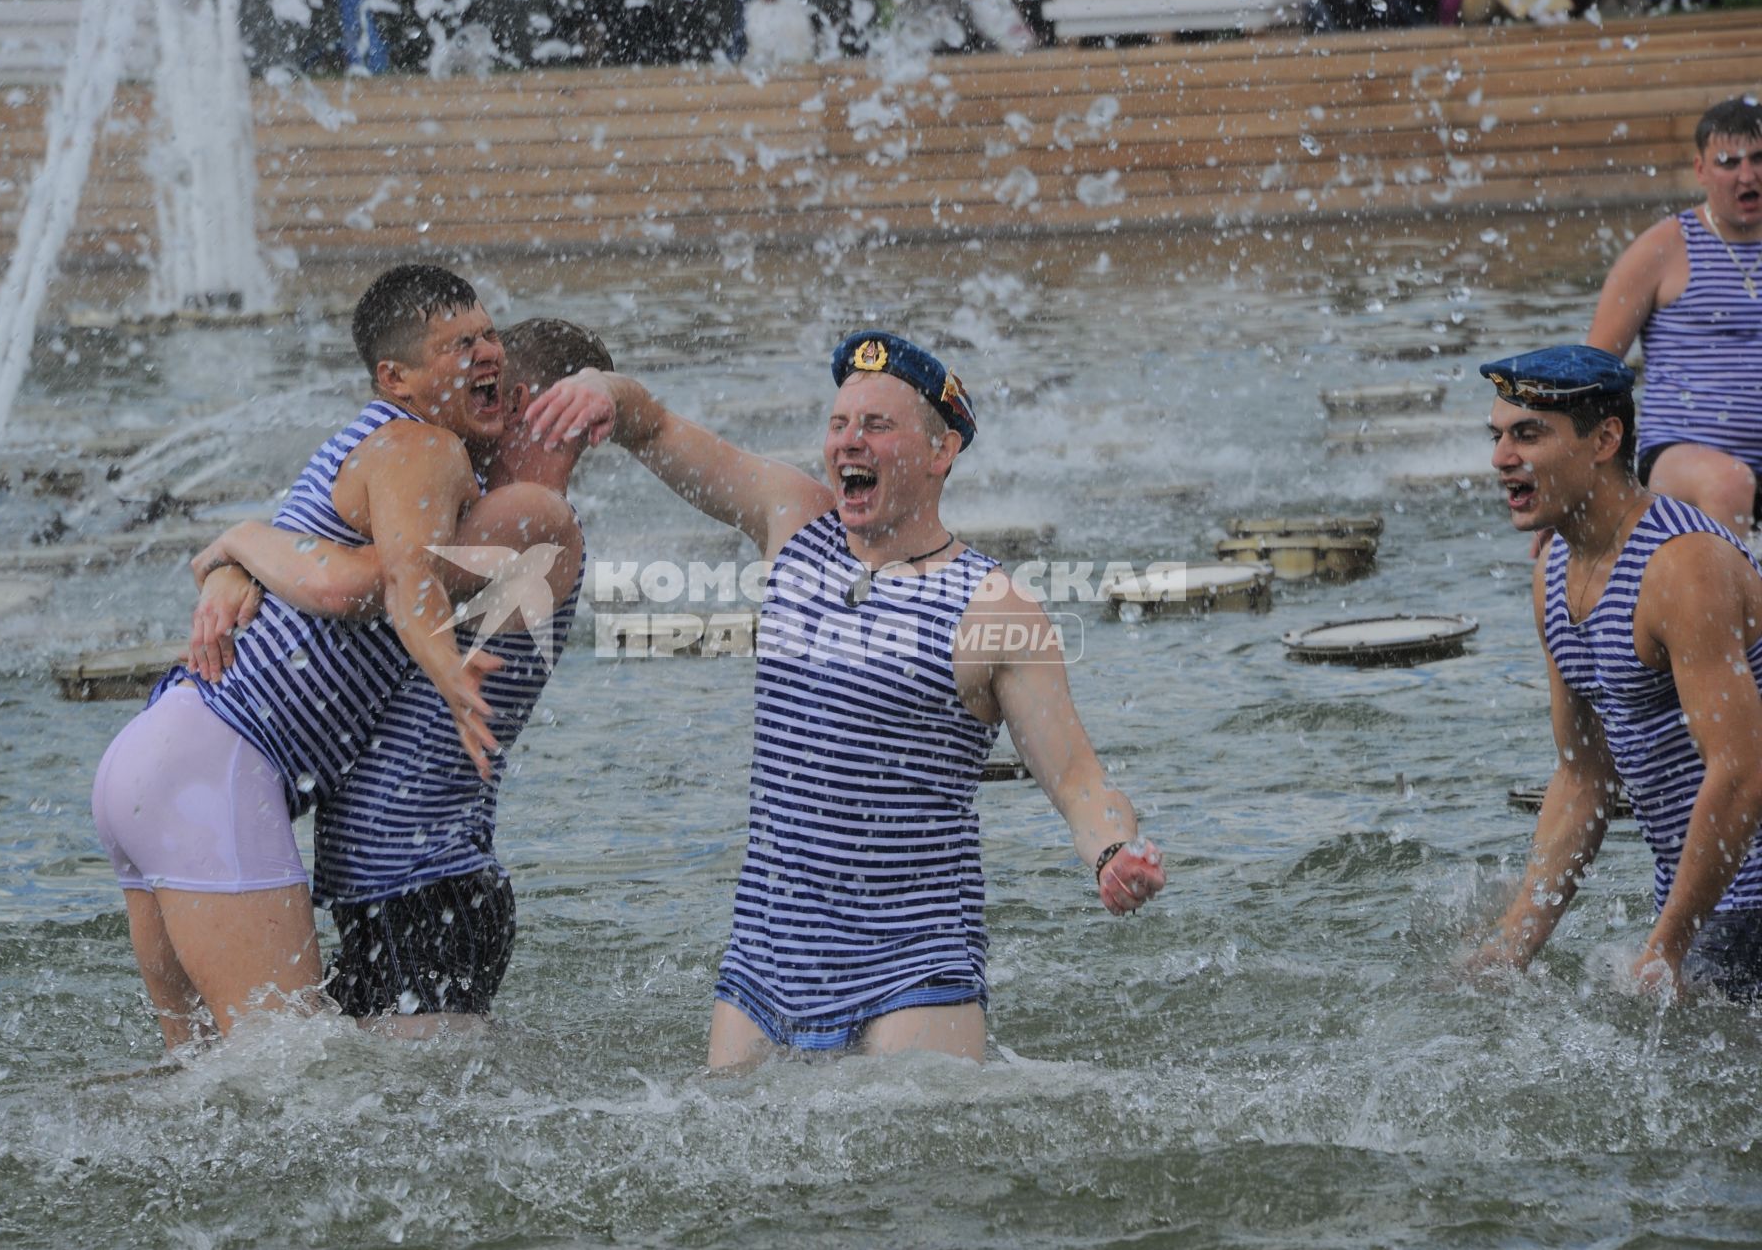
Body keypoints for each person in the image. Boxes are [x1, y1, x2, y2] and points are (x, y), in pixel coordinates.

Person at [523, 330, 1167, 1071]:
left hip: (914, 968)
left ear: (940, 451)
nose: (847, 442)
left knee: (906, 1172)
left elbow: (1080, 780)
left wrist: (1113, 851)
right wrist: (607, 391)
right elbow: (656, 427)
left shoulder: (994, 609)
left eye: (876, 425)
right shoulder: (794, 524)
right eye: (838, 425)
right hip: (766, 962)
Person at [90, 266, 589, 1047]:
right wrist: (444, 667)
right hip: (216, 766)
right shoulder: (420, 445)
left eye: (490, 334)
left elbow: (366, 571)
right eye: (461, 343)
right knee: (290, 1073)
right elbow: (388, 582)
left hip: (155, 754)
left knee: (204, 1079)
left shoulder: (369, 446)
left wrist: (238, 544)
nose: (490, 353)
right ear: (398, 378)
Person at [1473, 344, 1762, 999]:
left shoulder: (1683, 567)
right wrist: (1510, 944)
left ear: (1605, 438)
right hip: (1707, 906)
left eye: (1527, 434)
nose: (1500, 459)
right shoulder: (1552, 571)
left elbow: (1744, 770)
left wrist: (1667, 946)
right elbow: (1584, 773)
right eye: (1497, 437)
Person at [1587, 96, 1762, 536]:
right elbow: (1593, 375)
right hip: (1679, 457)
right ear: (1701, 170)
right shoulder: (1661, 249)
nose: (1748, 175)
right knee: (1729, 481)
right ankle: (1728, 605)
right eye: (1729, 162)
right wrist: (1571, 491)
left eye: (1758, 158)